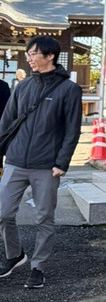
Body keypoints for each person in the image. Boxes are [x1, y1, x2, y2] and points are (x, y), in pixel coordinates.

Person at [0, 36, 82, 288]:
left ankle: (38, 266)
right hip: (15, 160)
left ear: (50, 56)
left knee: (44, 218)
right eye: (28, 53)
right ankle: (15, 255)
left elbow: (72, 130)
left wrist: (62, 162)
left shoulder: (68, 90)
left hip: (47, 166)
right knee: (3, 213)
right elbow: (6, 122)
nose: (29, 57)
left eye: (34, 53)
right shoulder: (22, 87)